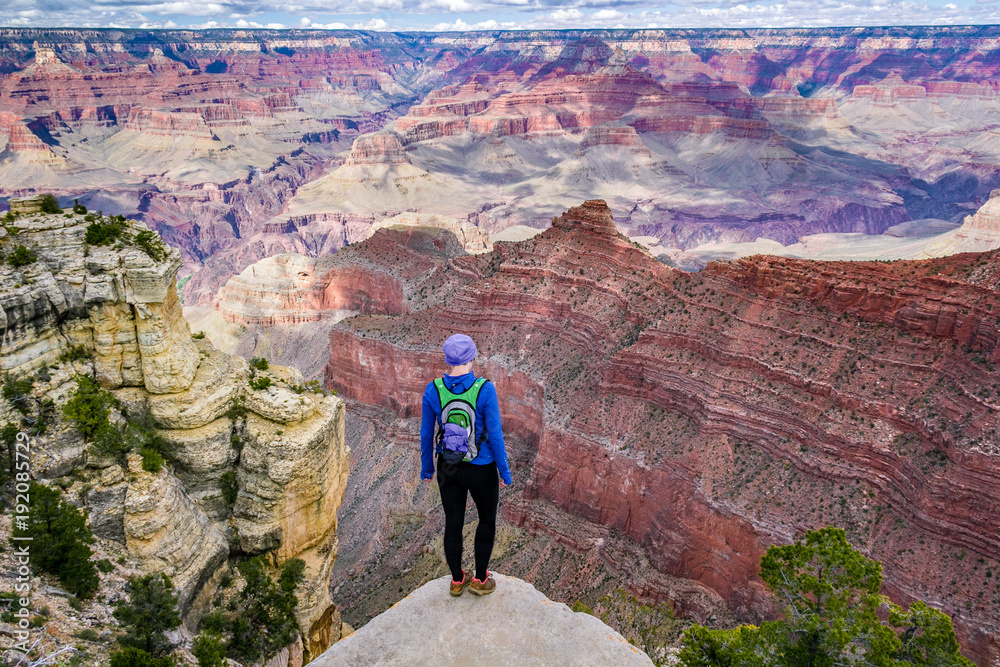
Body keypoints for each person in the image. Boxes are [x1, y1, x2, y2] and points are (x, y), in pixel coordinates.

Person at [421, 333, 512, 597]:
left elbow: (426, 434)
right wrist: (504, 472)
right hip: (481, 468)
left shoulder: (433, 389)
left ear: (447, 359)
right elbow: (495, 435)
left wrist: (427, 469)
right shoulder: (485, 389)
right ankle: (481, 580)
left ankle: (457, 580)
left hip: (448, 467)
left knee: (453, 523)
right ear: (473, 358)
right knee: (486, 520)